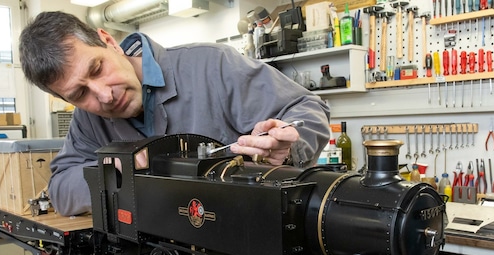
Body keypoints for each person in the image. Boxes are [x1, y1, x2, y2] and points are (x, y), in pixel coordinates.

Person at [19, 11, 330, 216]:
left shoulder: (212, 65)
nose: (104, 94)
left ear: (109, 42)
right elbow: (60, 188)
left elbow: (308, 109)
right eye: (80, 94)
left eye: (98, 69)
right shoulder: (88, 119)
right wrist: (110, 170)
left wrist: (289, 146)